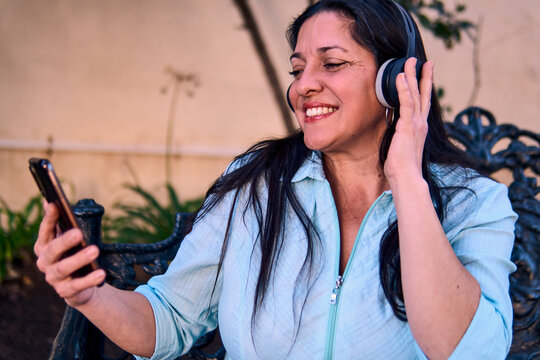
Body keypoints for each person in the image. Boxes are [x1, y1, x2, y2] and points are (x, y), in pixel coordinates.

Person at [34, 1, 517, 359]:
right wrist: (90, 295)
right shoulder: (254, 187)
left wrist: (406, 181)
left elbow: (468, 351)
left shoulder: (474, 204)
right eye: (298, 68)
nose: (304, 84)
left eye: (332, 63)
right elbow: (169, 320)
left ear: (394, 81)